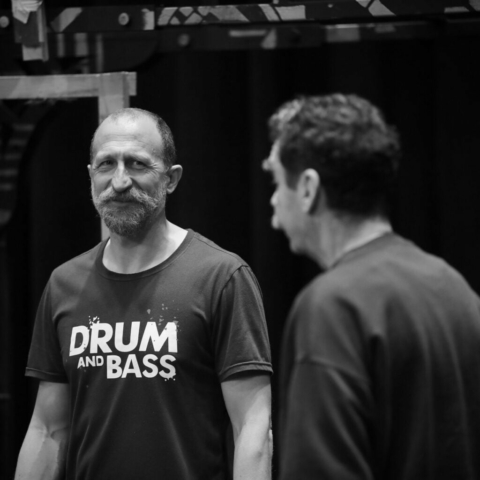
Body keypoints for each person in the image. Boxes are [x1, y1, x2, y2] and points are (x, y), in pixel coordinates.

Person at [15, 108, 273, 480]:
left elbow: (252, 427)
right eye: (106, 164)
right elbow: (47, 430)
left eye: (137, 164)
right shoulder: (63, 283)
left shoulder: (221, 277)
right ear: (91, 176)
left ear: (171, 179)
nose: (120, 181)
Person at [263, 93, 480, 480]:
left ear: (309, 189)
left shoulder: (332, 307)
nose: (274, 206)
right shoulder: (454, 287)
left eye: (277, 181)